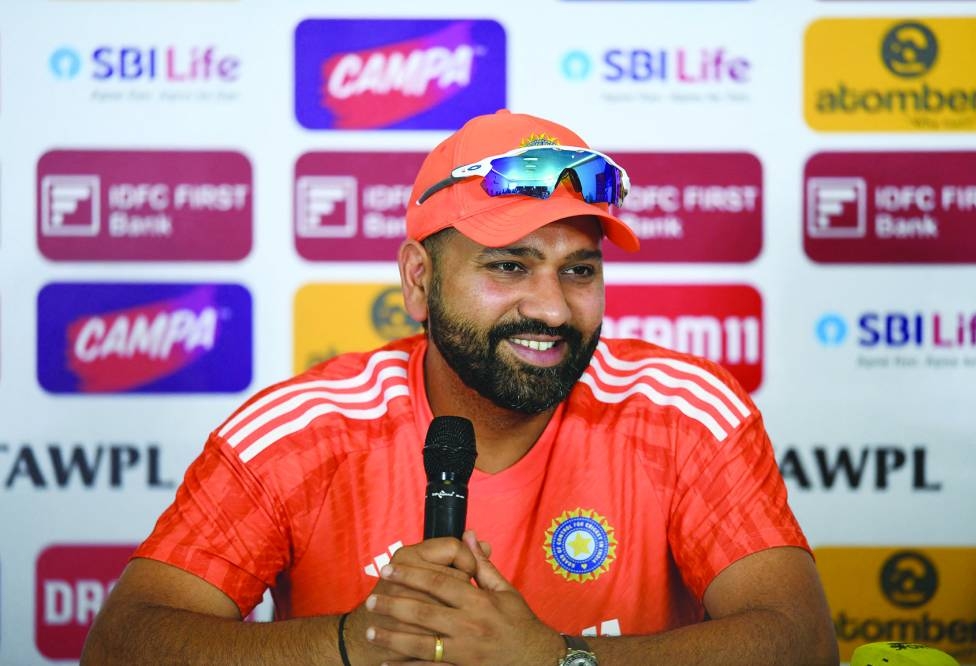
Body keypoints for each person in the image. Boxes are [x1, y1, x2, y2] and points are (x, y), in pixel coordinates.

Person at [82, 110, 838, 665]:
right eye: (508, 265)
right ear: (419, 280)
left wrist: (553, 660)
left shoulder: (684, 412)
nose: (550, 305)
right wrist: (353, 642)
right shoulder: (301, 430)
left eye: (579, 269)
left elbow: (803, 642)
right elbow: (122, 644)